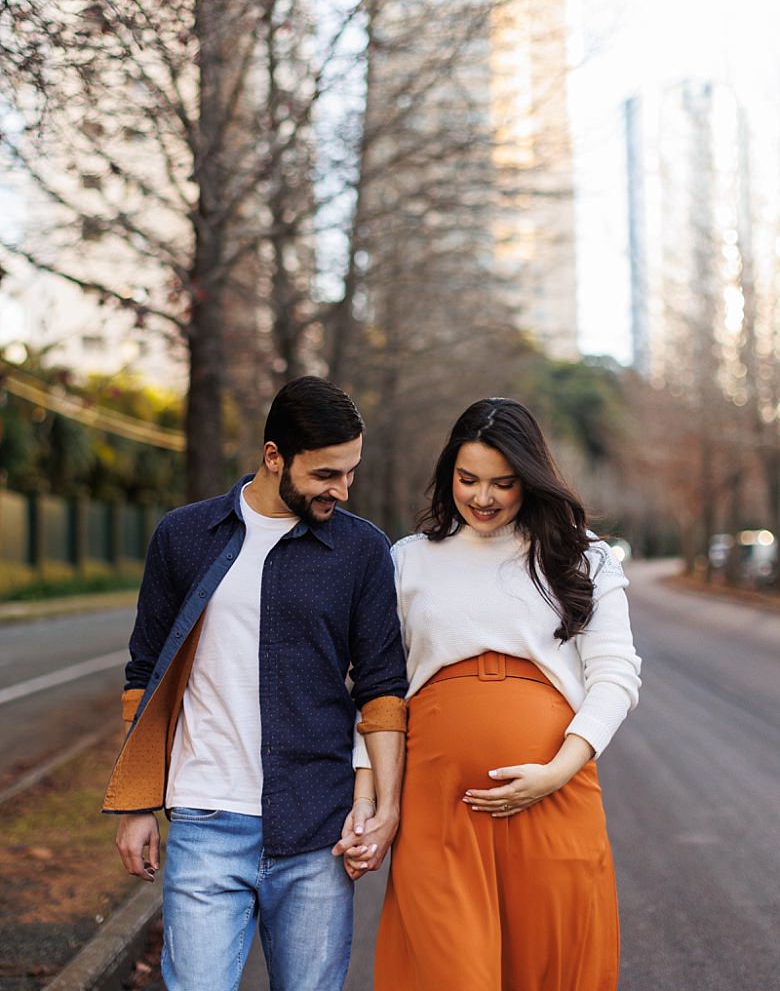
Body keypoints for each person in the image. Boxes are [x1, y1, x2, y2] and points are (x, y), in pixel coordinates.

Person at [104, 376, 407, 991]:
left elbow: (381, 689)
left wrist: (384, 804)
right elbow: (146, 671)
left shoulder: (361, 551)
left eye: (349, 472)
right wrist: (136, 801)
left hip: (318, 828)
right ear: (274, 457)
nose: (342, 490)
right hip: (205, 817)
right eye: (326, 474)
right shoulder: (185, 536)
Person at [337, 396, 641, 991]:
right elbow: (377, 690)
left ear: (530, 479)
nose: (482, 497)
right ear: (448, 472)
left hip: (552, 793)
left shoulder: (581, 559)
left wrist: (558, 771)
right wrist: (368, 796)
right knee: (449, 969)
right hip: (435, 804)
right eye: (467, 479)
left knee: (549, 966)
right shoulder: (408, 561)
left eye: (503, 483)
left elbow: (616, 676)